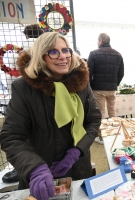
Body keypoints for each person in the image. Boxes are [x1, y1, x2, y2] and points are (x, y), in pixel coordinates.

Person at [0, 32, 101, 200]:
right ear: (41, 56)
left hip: (78, 167)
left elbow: (93, 120)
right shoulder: (24, 89)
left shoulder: (81, 84)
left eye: (66, 50)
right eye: (53, 52)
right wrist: (35, 168)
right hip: (43, 174)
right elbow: (11, 137)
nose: (63, 56)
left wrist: (77, 150)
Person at [87, 33, 124, 118]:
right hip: (112, 89)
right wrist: (115, 84)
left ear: (100, 41)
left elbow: (88, 72)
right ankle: (115, 130)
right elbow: (121, 73)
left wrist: (92, 85)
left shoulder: (93, 54)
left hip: (98, 89)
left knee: (101, 113)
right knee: (112, 112)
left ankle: (103, 131)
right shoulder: (118, 55)